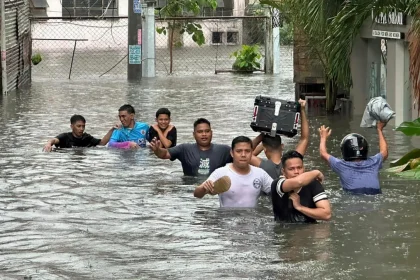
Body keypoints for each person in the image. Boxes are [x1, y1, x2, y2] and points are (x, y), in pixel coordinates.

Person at [194, 136, 273, 207]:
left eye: (247, 151)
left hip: (251, 220)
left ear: (252, 153)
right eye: (239, 151)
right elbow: (197, 194)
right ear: (232, 153)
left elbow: (277, 191)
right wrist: (204, 188)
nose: (243, 155)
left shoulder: (260, 173)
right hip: (227, 220)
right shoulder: (221, 172)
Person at [319, 122, 388, 195]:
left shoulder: (341, 165)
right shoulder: (374, 162)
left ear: (345, 150)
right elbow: (384, 151)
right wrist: (379, 129)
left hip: (354, 195)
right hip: (375, 193)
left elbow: (323, 154)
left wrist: (323, 137)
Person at [149, 118, 232, 176]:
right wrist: (157, 150)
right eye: (200, 132)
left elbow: (242, 160)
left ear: (211, 133)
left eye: (207, 131)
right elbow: (164, 154)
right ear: (194, 134)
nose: (204, 134)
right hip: (190, 193)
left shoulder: (223, 150)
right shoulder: (184, 149)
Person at [250, 98, 309, 179]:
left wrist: (262, 135)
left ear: (265, 149)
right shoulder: (292, 163)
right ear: (282, 146)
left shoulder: (262, 165)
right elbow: (304, 139)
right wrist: (302, 110)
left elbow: (246, 153)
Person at [271, 150, 331, 223]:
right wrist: (316, 172)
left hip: (310, 230)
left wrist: (300, 207)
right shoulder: (278, 184)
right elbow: (299, 182)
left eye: (299, 168)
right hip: (285, 230)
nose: (296, 171)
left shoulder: (314, 184)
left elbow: (327, 215)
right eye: (291, 169)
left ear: (304, 168)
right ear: (283, 172)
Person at [43, 114, 117, 152]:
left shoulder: (87, 138)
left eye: (83, 126)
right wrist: (48, 144)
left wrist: (112, 129)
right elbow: (53, 140)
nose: (81, 129)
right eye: (79, 126)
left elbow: (102, 143)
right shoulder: (65, 137)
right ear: (72, 126)